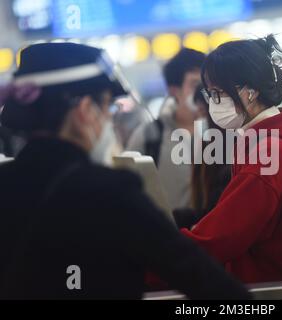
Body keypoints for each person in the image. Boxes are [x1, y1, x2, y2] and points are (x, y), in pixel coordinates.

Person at [0, 43, 250, 300]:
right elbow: (201, 278)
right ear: (85, 111)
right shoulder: (107, 192)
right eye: (108, 107)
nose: (110, 121)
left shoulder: (6, 185)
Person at [181, 35, 282, 284]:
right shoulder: (266, 142)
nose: (213, 104)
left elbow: (221, 237)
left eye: (219, 93)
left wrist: (158, 258)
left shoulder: (268, 155)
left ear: (251, 91)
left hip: (272, 291)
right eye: (210, 94)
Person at [127, 48, 205, 210]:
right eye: (195, 84)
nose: (203, 92)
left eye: (207, 84)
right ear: (174, 90)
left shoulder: (224, 133)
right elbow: (128, 190)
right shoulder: (149, 136)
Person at [173, 85, 231, 229]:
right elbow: (204, 212)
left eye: (202, 111)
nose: (199, 119)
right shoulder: (206, 151)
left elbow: (216, 216)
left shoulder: (231, 162)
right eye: (197, 112)